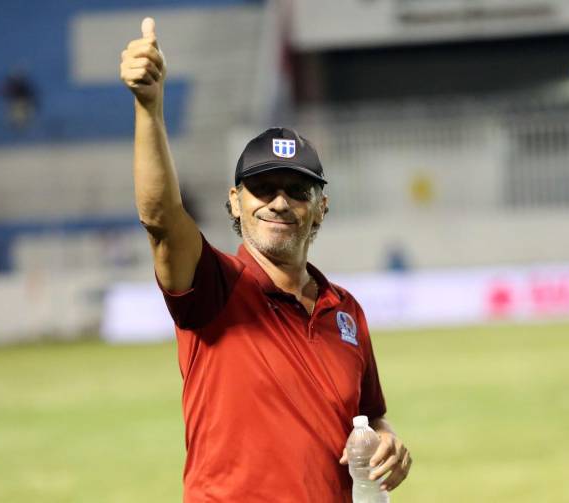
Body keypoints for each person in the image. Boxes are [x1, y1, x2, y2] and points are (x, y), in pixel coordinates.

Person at [120, 17, 412, 501]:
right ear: (235, 201)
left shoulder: (345, 311)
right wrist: (148, 108)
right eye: (262, 188)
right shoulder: (213, 285)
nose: (279, 202)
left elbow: (370, 415)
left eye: (297, 190)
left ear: (321, 207)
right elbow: (160, 217)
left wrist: (387, 440)